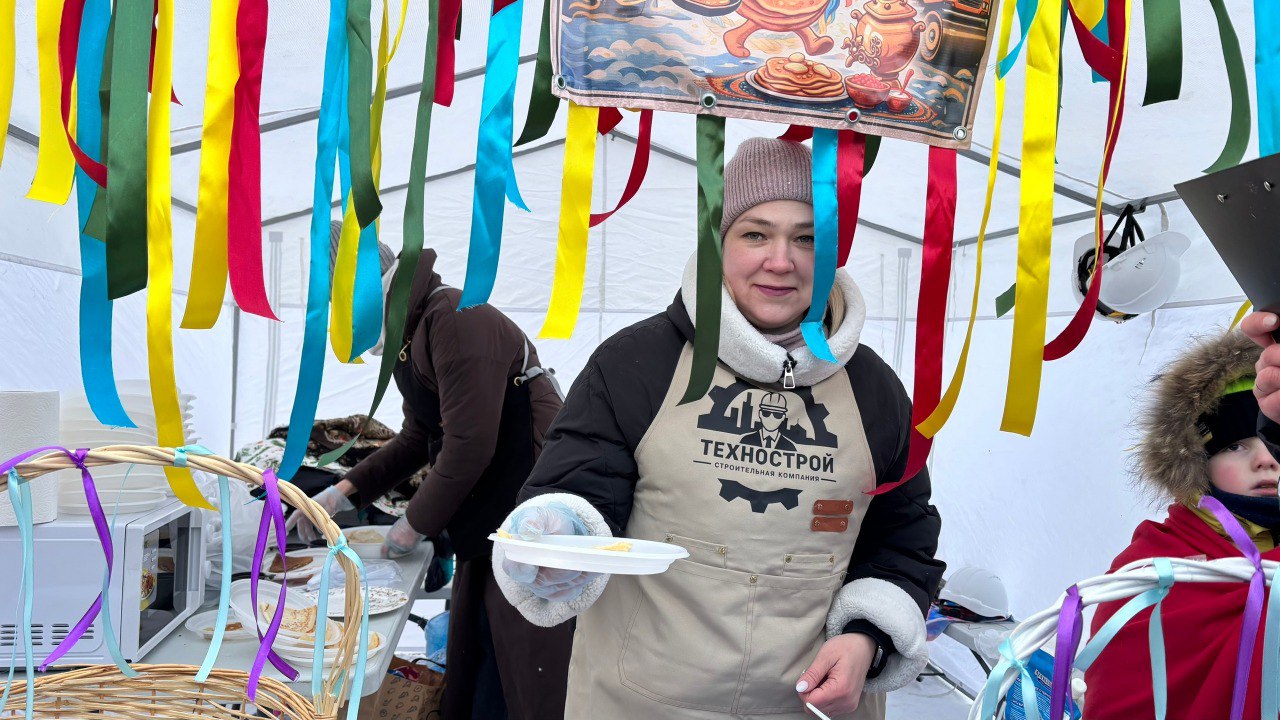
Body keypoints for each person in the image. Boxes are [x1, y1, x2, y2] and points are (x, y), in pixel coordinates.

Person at [492, 138, 945, 720]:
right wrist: (558, 535)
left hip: (809, 708)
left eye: (806, 238)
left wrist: (867, 637)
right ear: (717, 244)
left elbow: (903, 536)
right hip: (639, 702)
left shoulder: (875, 391)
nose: (780, 261)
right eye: (755, 234)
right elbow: (582, 489)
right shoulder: (638, 363)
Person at [287, 221, 574, 720]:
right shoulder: (411, 331)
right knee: (473, 643)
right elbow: (419, 437)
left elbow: (469, 443)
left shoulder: (457, 318)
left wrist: (411, 525)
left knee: (523, 654)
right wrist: (341, 493)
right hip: (487, 512)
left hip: (526, 503)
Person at [1082, 330, 1280, 718]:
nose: (1266, 462)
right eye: (1235, 446)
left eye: (1275, 446)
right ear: (1196, 462)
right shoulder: (1154, 564)